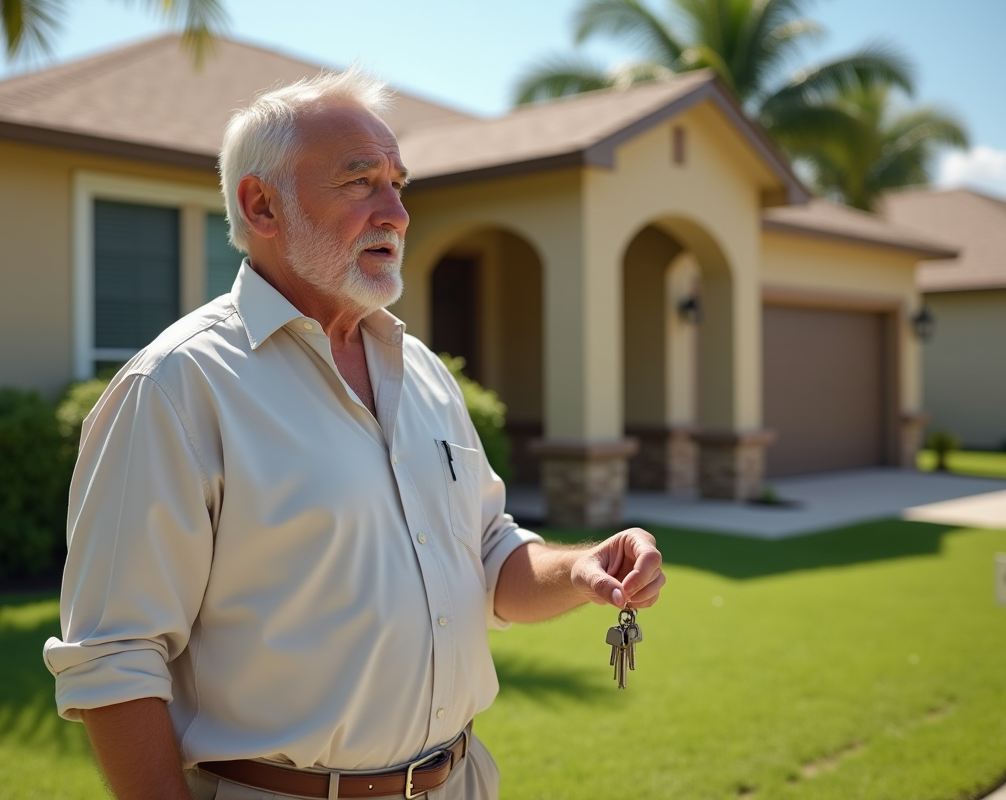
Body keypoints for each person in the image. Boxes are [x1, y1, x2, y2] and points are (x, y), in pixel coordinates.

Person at [43, 67, 665, 800]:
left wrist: (580, 570)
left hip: (462, 782)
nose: (397, 213)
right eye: (361, 181)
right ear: (262, 205)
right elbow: (114, 659)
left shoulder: (424, 372)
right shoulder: (176, 388)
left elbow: (486, 551)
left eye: (399, 183)